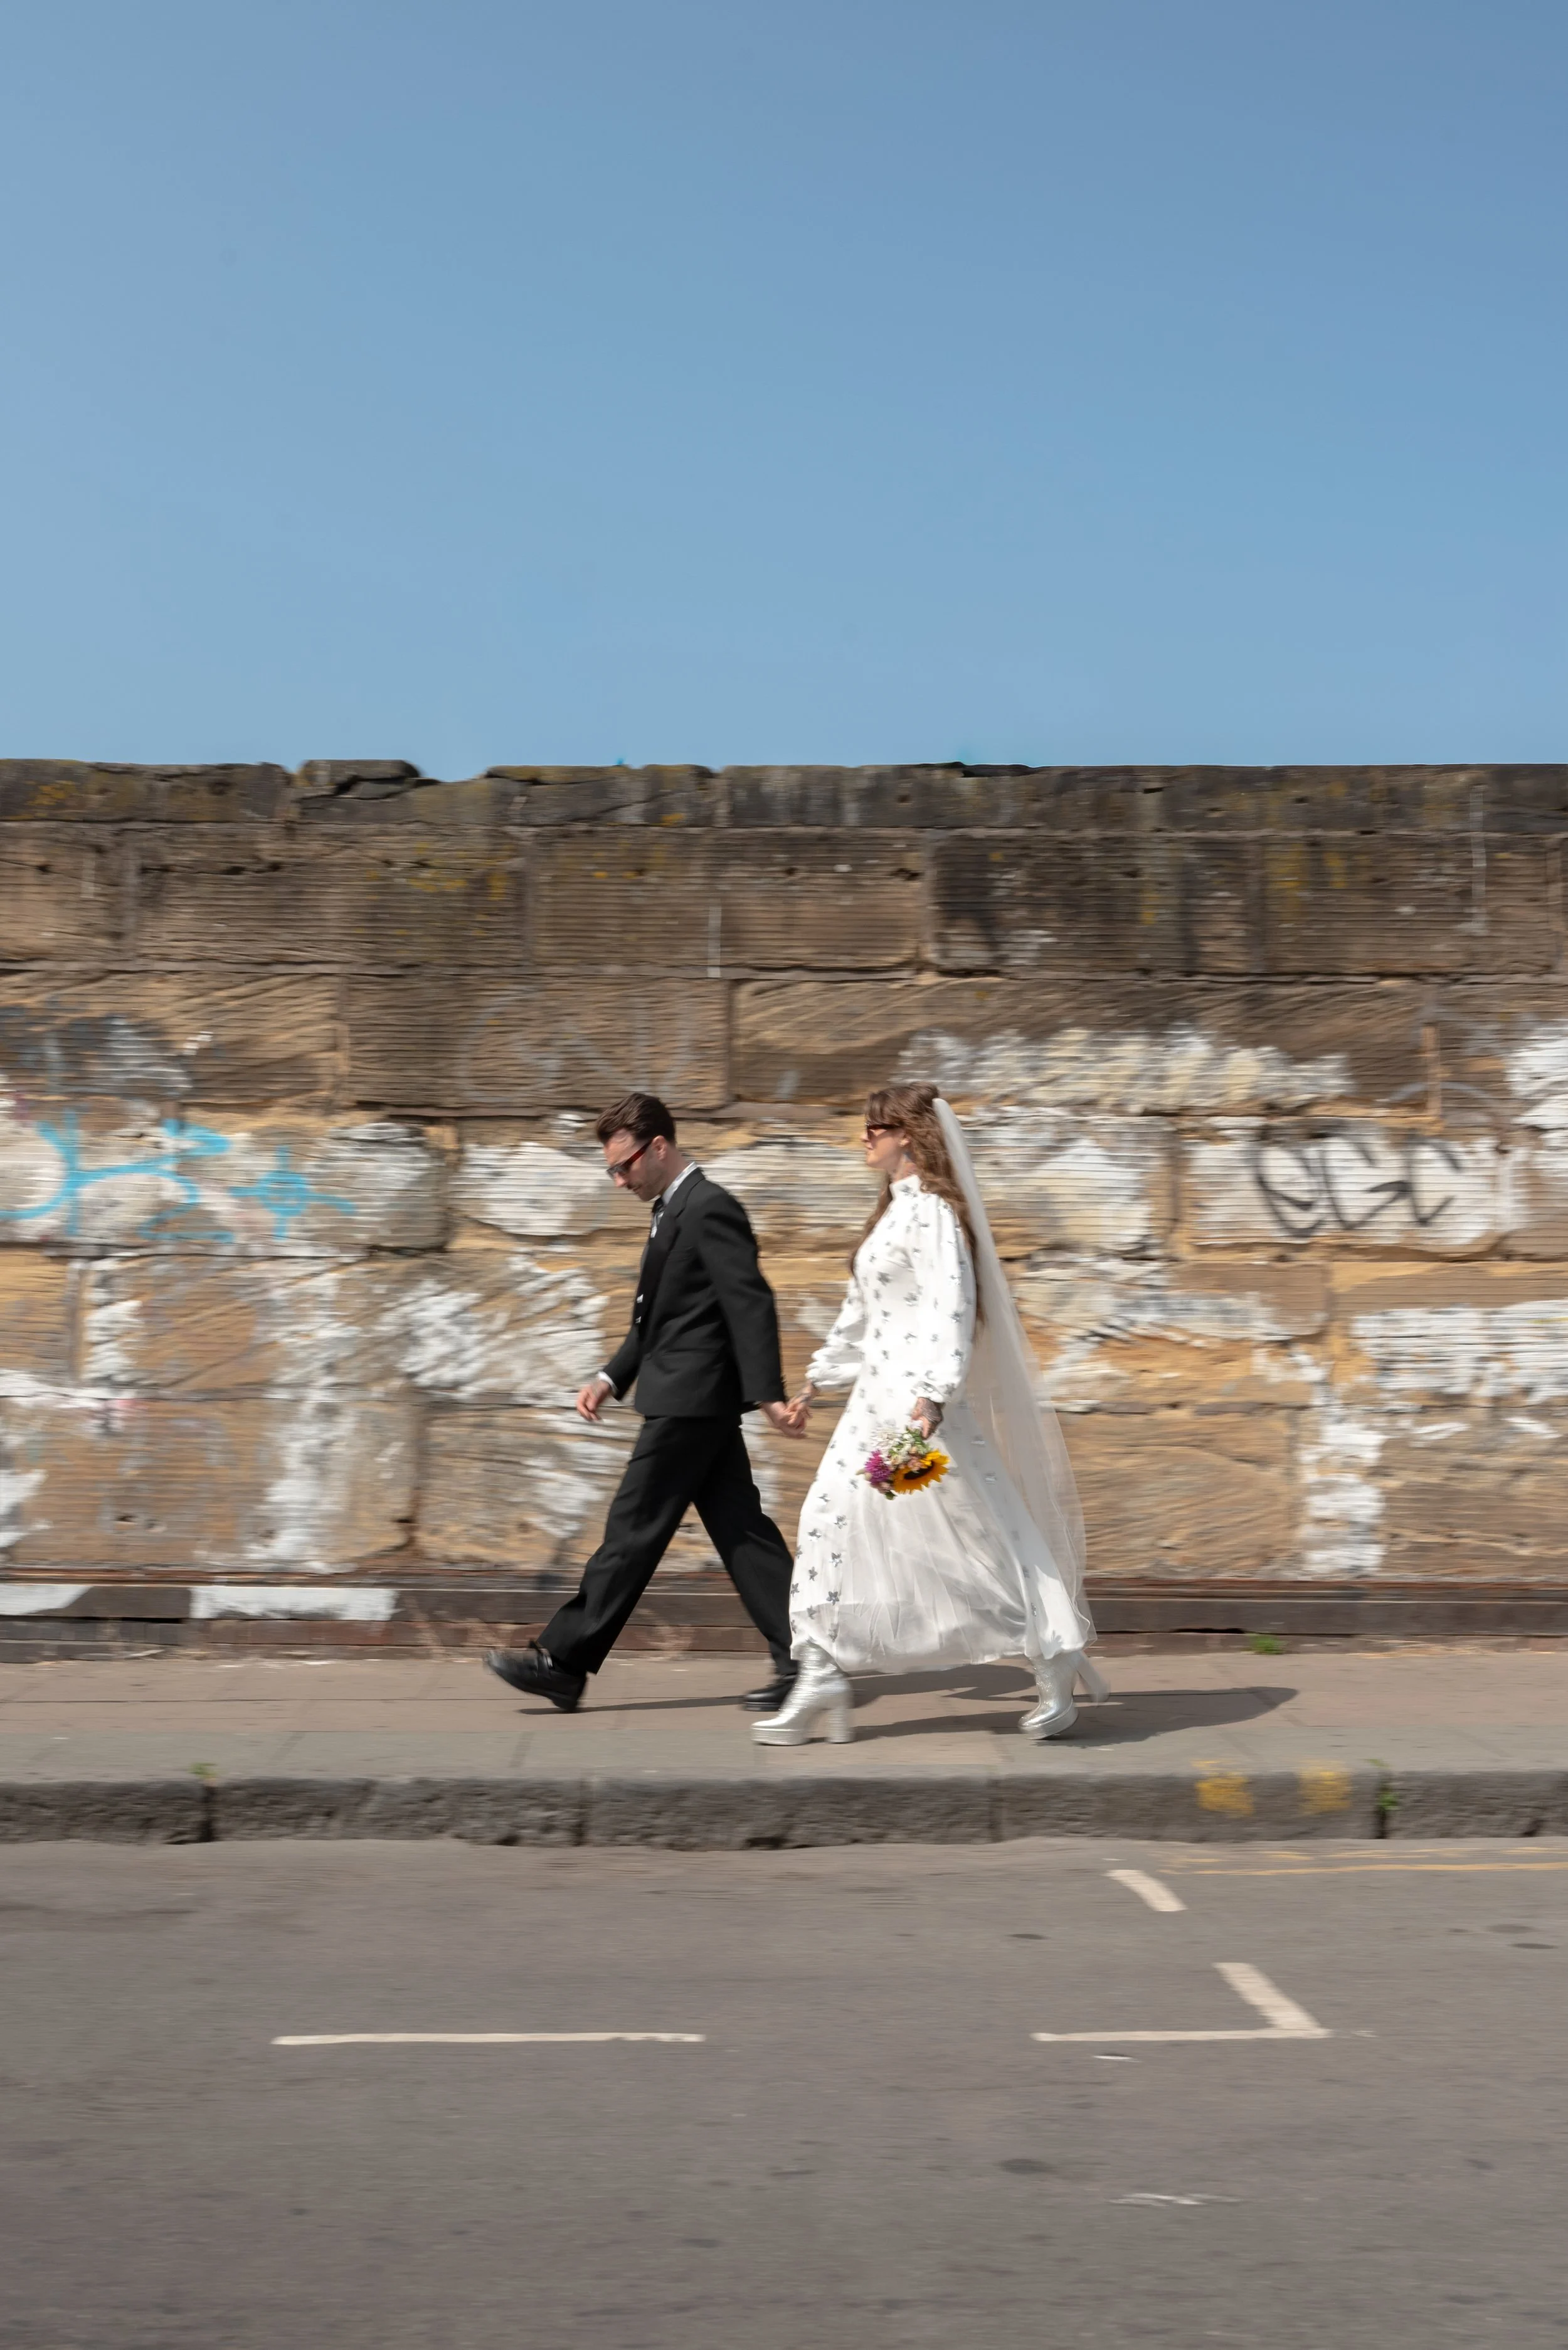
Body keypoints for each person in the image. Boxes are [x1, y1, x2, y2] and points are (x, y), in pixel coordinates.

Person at [753, 1082, 1103, 1747]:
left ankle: (1053, 1650)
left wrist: (933, 1397)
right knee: (831, 1516)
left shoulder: (937, 1214)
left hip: (915, 1414)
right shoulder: (890, 1215)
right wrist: (815, 1384)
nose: (864, 1138)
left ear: (906, 1135)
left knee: (970, 1538)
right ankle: (821, 1671)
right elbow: (862, 1314)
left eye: (874, 1128)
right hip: (870, 1410)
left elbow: (950, 1301)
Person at [487, 1091, 806, 1715]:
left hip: (691, 1401)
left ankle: (563, 1660)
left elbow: (751, 1302)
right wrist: (610, 1375)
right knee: (744, 1533)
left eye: (624, 1165)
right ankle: (809, 1652)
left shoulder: (709, 1206)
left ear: (658, 1146)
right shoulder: (672, 1208)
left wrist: (768, 1394)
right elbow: (657, 1318)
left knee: (632, 1529)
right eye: (611, 1169)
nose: (618, 1179)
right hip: (687, 1396)